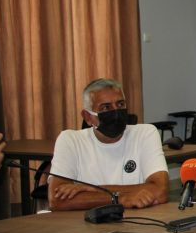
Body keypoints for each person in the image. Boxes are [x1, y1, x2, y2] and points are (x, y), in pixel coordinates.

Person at [48, 78, 169, 211]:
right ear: (88, 117)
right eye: (106, 107)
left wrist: (92, 188)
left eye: (120, 104)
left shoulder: (145, 133)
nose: (116, 112)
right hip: (84, 222)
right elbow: (56, 200)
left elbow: (160, 191)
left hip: (135, 219)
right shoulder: (70, 140)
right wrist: (118, 199)